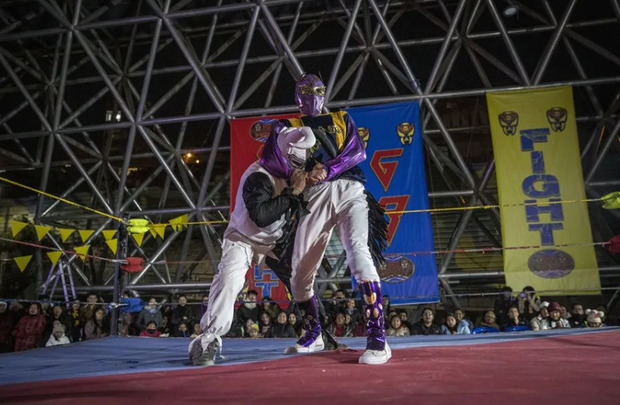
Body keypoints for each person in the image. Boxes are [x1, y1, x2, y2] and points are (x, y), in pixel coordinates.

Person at [268, 74, 390, 365]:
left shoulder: (341, 118)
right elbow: (272, 160)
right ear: (297, 95)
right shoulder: (286, 127)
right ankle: (315, 333)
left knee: (359, 253)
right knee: (299, 272)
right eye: (306, 90)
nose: (313, 95)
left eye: (318, 90)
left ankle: (377, 337)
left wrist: (329, 168)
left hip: (350, 190)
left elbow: (357, 152)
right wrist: (295, 175)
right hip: (314, 195)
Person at [188, 125, 315, 366]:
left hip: (273, 242)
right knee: (230, 281)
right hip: (243, 239)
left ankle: (318, 331)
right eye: (295, 163)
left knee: (302, 279)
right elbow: (262, 215)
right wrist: (293, 193)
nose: (298, 169)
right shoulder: (258, 176)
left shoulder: (291, 175)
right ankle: (208, 339)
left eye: (301, 164)